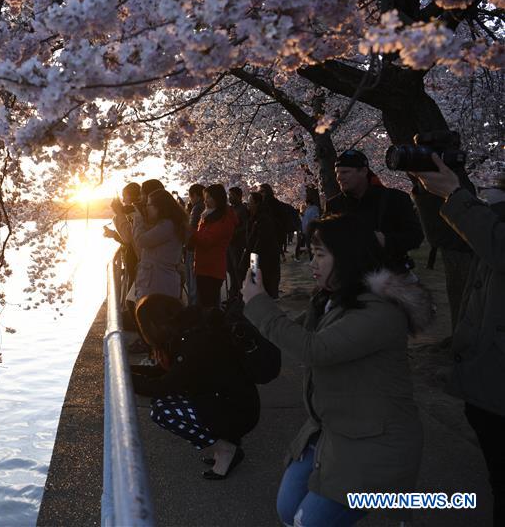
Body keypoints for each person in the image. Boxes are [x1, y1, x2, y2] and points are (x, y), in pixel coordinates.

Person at [242, 213, 430, 526]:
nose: (311, 264)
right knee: (288, 510)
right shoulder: (336, 299)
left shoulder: (380, 311)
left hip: (374, 442)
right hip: (332, 431)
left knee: (308, 521)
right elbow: (300, 334)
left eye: (319, 255)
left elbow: (315, 349)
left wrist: (259, 304)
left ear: (348, 255)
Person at [411, 157, 505, 526]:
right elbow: (450, 237)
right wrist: (429, 193)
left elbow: (498, 246)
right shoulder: (495, 208)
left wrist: (454, 193)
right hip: (486, 369)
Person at [131, 294, 260, 479]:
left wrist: (127, 378)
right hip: (235, 402)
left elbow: (163, 386)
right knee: (167, 404)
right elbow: (165, 373)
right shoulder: (191, 331)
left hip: (237, 412)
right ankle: (225, 442)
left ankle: (226, 450)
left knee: (163, 410)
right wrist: (127, 370)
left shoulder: (192, 344)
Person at [327, 149, 424, 275]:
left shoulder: (395, 199)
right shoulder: (333, 205)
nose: (339, 177)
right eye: (337, 173)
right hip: (351, 277)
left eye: (345, 172)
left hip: (393, 275)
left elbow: (415, 237)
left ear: (363, 171)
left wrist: (385, 241)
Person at [113, 188, 186, 300]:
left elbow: (141, 240)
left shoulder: (167, 225)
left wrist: (137, 218)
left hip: (159, 284)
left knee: (154, 316)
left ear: (159, 207)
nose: (146, 208)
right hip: (157, 282)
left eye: (148, 205)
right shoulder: (165, 224)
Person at [189, 184, 238, 309]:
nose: (205, 201)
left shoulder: (224, 219)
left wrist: (190, 231)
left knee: (208, 305)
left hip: (212, 268)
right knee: (206, 303)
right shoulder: (208, 215)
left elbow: (206, 241)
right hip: (203, 266)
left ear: (218, 198)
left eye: (208, 197)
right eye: (205, 197)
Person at [244, 191, 281, 298]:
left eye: (250, 202)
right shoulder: (253, 217)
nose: (248, 204)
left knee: (264, 284)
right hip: (256, 256)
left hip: (263, 257)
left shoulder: (263, 218)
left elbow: (261, 241)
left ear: (257, 203)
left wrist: (251, 257)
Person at [227, 186, 249, 299]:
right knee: (230, 270)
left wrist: (233, 232)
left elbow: (245, 226)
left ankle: (240, 295)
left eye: (231, 195)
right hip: (230, 244)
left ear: (238, 196)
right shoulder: (231, 209)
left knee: (238, 270)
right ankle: (233, 293)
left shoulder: (243, 209)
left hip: (238, 244)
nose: (229, 197)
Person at [185, 184, 206, 305]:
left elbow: (191, 230)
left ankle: (193, 308)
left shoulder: (197, 208)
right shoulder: (205, 207)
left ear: (195, 195)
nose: (190, 199)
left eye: (190, 196)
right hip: (201, 248)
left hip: (192, 249)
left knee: (192, 282)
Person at [298, 188, 321, 260]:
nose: (306, 205)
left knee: (312, 243)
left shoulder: (313, 208)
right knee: (309, 244)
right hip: (307, 229)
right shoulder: (309, 209)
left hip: (311, 228)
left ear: (308, 203)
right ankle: (312, 257)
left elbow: (315, 217)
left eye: (306, 203)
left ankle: (314, 257)